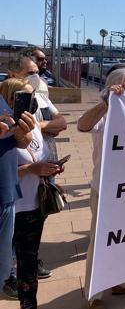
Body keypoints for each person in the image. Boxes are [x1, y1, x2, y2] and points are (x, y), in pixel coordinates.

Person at [78, 69, 125, 308]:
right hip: (106, 190)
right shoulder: (105, 111)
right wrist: (105, 102)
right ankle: (93, 295)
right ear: (113, 86)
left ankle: (122, 283)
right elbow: (82, 125)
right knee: (99, 244)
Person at [7, 57, 64, 280]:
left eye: (38, 70)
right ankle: (9, 275)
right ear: (13, 75)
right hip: (14, 192)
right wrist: (31, 168)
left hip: (39, 180)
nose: (37, 74)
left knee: (35, 224)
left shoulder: (38, 100)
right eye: (30, 71)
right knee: (11, 231)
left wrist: (37, 126)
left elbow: (61, 123)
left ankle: (28, 263)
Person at [3, 79, 58, 308]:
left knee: (29, 263)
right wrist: (31, 169)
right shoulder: (4, 129)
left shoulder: (33, 123)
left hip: (35, 205)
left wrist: (48, 167)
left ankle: (29, 304)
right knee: (8, 262)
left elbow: (38, 152)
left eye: (32, 97)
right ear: (9, 100)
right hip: (12, 207)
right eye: (24, 97)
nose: (31, 102)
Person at [0, 80, 36, 302]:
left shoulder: (10, 116)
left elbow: (24, 142)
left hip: (7, 192)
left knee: (3, 262)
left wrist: (23, 130)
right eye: (26, 97)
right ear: (12, 96)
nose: (31, 102)